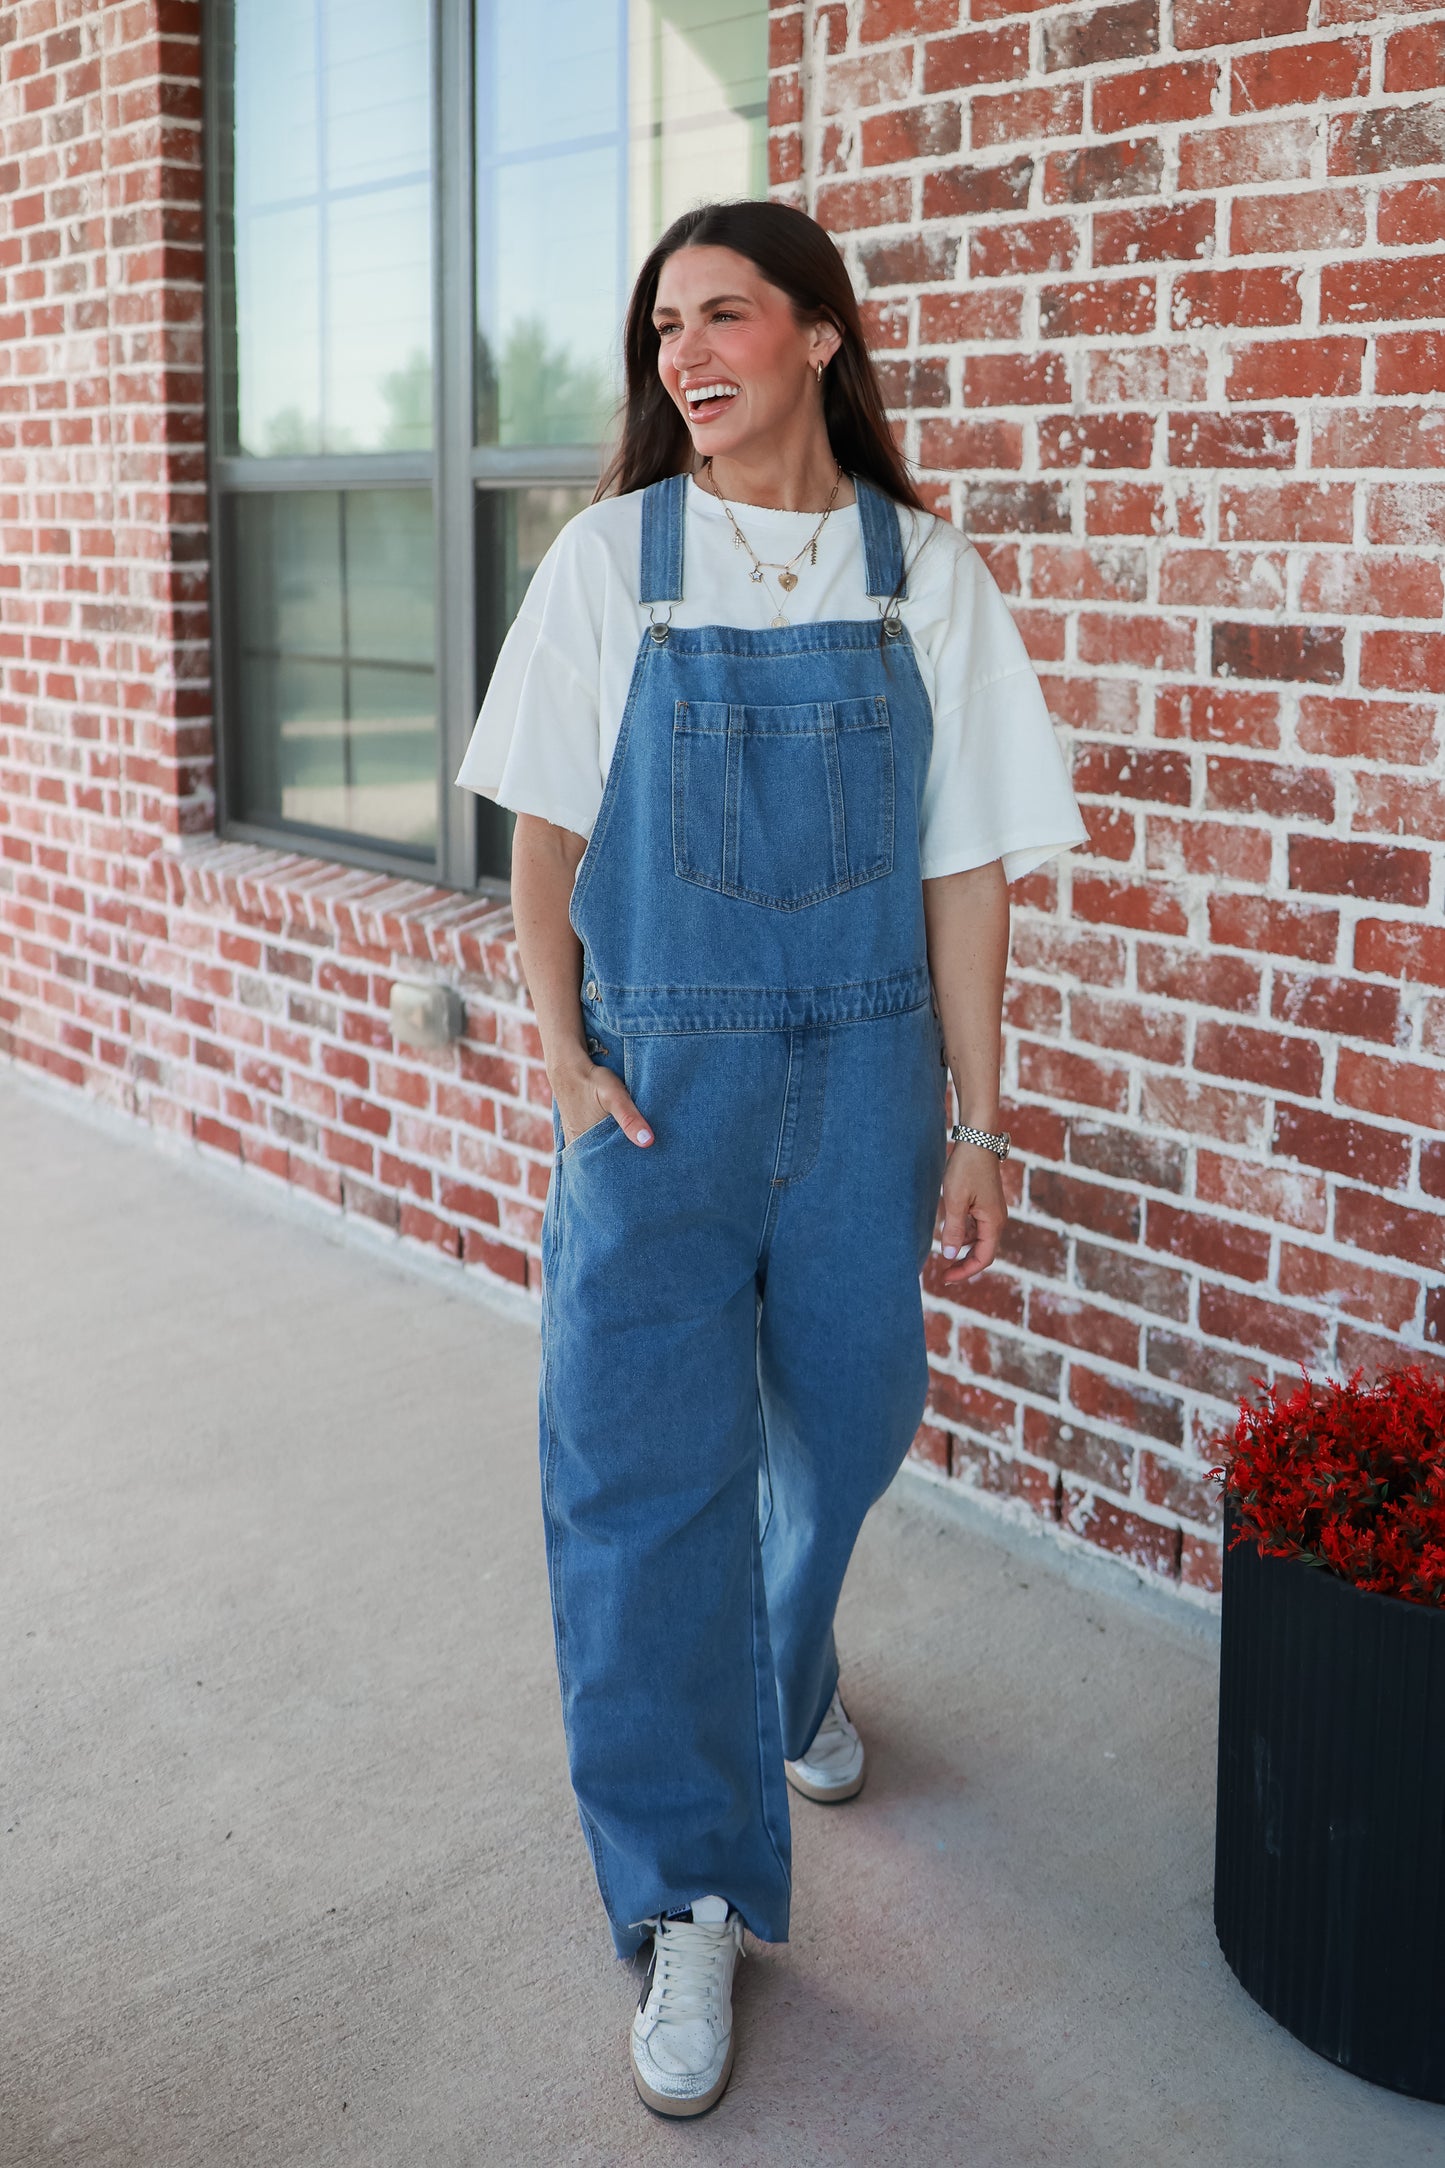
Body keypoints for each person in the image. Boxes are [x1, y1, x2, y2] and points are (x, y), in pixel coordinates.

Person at [456, 198, 1085, 2118]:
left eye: (723, 315)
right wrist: (562, 1061)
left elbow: (963, 866)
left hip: (872, 1092)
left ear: (820, 334)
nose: (684, 356)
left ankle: (784, 1671)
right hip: (658, 1097)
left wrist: (978, 1122)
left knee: (855, 1414)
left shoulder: (922, 573)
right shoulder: (611, 563)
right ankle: (689, 1894)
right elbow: (542, 846)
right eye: (661, 331)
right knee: (639, 1482)